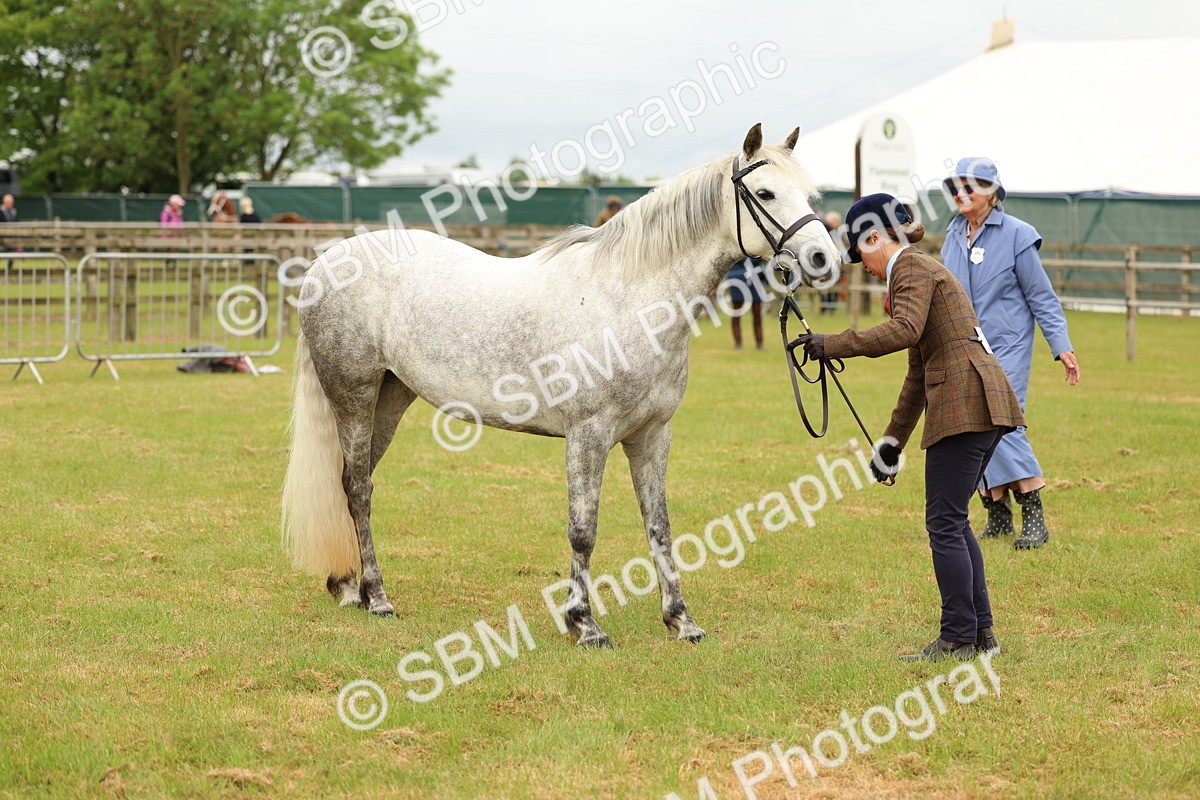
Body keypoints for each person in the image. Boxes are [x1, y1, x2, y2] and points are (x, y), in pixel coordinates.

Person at [797, 193, 1025, 661]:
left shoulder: (912, 269)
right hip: (979, 401)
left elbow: (902, 330)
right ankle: (980, 637)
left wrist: (831, 343)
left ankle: (958, 637)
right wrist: (889, 447)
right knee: (954, 522)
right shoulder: (921, 270)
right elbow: (917, 376)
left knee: (943, 523)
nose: (865, 266)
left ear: (875, 236)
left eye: (862, 256)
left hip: (966, 403)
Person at [941, 158, 1080, 550]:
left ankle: (1034, 513)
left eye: (971, 186)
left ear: (991, 192)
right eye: (957, 186)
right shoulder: (953, 234)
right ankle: (997, 511)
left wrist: (1062, 346)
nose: (961, 193)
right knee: (975, 425)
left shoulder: (1018, 235)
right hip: (965, 347)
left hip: (1008, 347)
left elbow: (1042, 297)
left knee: (1006, 423)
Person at [725, 255, 770, 349]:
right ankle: (738, 345)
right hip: (737, 280)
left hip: (754, 280)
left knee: (757, 312)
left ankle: (760, 344)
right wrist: (757, 258)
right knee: (737, 312)